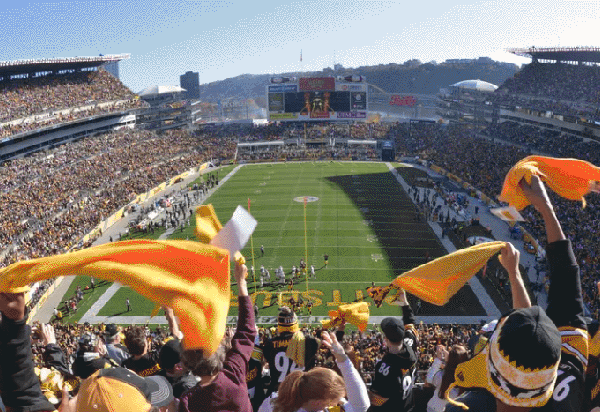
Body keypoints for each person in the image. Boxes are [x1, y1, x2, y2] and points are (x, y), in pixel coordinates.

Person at [445, 175, 588, 412]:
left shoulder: (465, 406)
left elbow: (566, 276)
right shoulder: (569, 380)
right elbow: (566, 278)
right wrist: (514, 274)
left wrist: (545, 207)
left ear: (493, 372)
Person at [178, 261, 257, 412]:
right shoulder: (234, 372)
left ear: (188, 365)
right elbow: (246, 331)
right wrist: (241, 283)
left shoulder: (188, 400)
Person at [258, 331, 369, 412]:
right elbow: (361, 406)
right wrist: (344, 360)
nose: (339, 401)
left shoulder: (273, 402)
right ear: (320, 402)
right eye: (335, 400)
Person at [368, 289, 419, 412]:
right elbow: (410, 323)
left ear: (385, 339)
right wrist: (404, 302)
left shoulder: (384, 368)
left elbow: (376, 401)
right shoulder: (410, 345)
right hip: (407, 407)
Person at [262, 307, 321, 397]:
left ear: (279, 325)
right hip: (302, 394)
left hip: (277, 394)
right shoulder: (310, 342)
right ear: (295, 324)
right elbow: (318, 341)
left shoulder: (269, 344)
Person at [425, 345, 469, 412]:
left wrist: (438, 359)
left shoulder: (441, 375)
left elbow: (429, 379)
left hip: (434, 409)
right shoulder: (469, 379)